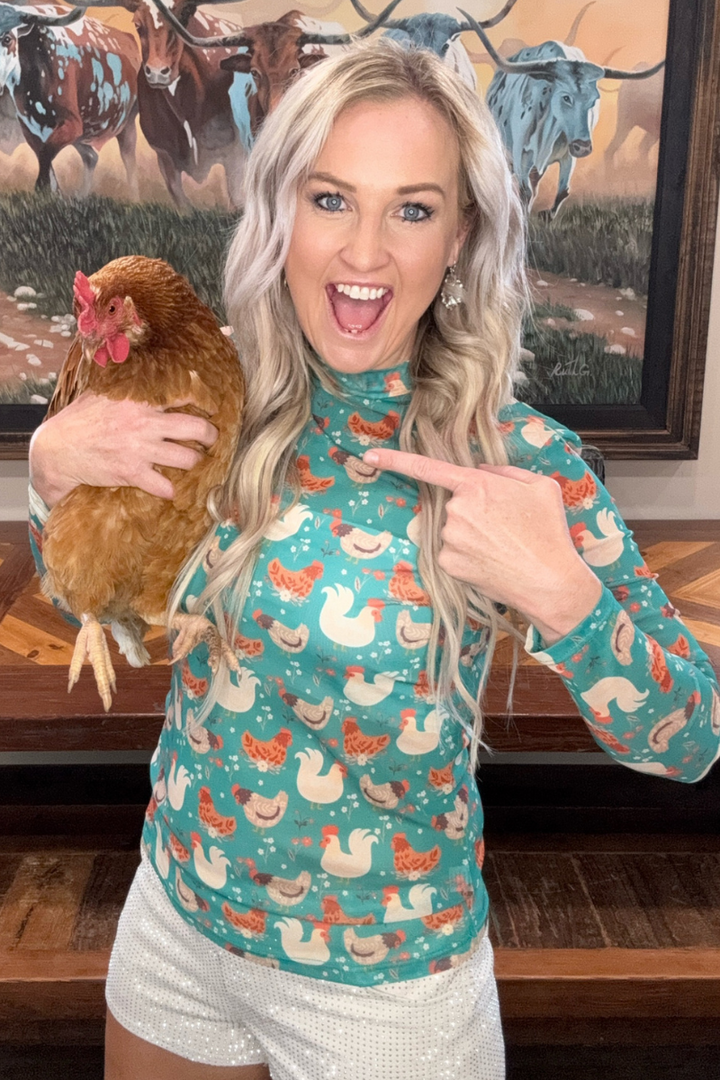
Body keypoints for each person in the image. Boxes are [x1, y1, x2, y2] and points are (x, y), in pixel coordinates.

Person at [27, 38, 720, 1080]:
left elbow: (691, 740)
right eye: (330, 199)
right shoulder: (212, 403)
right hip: (178, 926)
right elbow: (99, 599)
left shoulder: (518, 462)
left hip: (388, 992)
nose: (364, 252)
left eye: (412, 209)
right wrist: (51, 480)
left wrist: (566, 598)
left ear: (461, 234)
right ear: (282, 214)